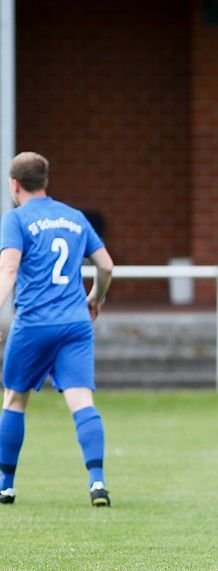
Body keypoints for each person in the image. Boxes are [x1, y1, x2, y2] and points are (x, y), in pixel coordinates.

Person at [0, 152, 114, 507]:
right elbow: (106, 265)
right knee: (81, 401)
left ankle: (6, 485)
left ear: (14, 185)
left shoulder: (16, 219)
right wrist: (95, 298)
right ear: (45, 181)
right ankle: (97, 482)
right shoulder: (74, 217)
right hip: (75, 323)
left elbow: (8, 269)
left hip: (34, 323)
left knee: (14, 399)